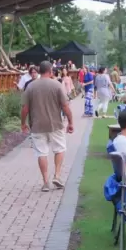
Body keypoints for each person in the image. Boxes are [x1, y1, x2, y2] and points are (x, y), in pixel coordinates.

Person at [20, 61, 74, 192]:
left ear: (38, 71)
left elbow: (25, 108)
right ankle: (57, 175)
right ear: (50, 71)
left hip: (37, 125)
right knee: (59, 149)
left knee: (41, 153)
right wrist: (71, 122)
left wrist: (23, 123)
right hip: (55, 124)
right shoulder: (56, 85)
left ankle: (45, 182)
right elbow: (65, 106)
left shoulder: (31, 87)